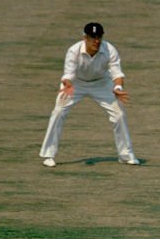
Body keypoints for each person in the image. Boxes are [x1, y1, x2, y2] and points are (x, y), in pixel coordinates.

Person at [39, 22, 139, 167]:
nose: (97, 41)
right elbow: (68, 74)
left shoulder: (109, 50)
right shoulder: (73, 51)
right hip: (75, 84)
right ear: (85, 37)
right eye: (93, 37)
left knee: (119, 115)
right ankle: (49, 155)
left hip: (101, 84)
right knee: (58, 112)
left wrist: (117, 87)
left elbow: (117, 73)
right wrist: (67, 83)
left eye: (99, 37)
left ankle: (126, 155)